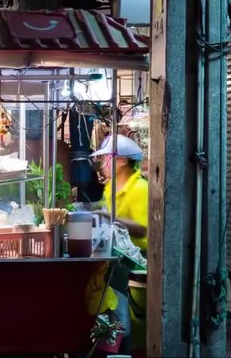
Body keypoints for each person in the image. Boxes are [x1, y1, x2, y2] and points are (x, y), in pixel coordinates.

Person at [91, 135, 148, 353]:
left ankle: (122, 348)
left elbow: (144, 228)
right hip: (116, 262)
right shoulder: (111, 188)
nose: (102, 163)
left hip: (135, 267)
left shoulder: (140, 189)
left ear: (121, 160)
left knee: (123, 320)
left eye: (105, 158)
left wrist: (110, 217)